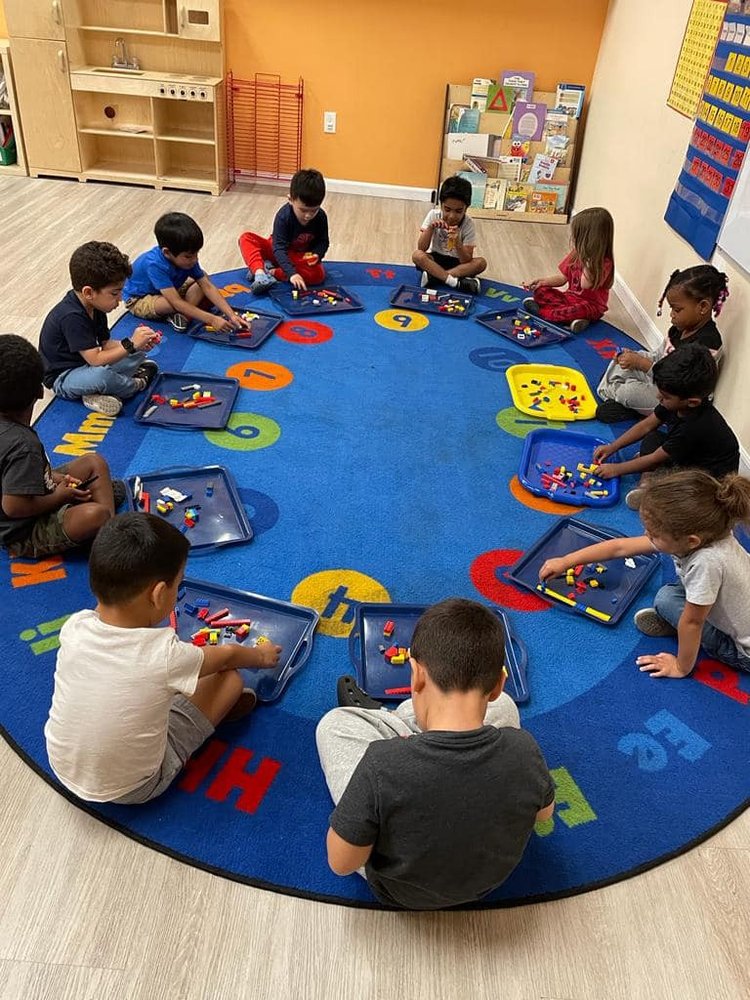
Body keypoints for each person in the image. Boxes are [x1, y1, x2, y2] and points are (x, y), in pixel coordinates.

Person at [315, 598, 554, 910]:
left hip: (399, 889)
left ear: (416, 675)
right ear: (498, 683)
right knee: (504, 709)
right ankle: (406, 724)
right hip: (488, 881)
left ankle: (395, 723)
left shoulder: (381, 764)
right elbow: (543, 815)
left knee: (334, 724)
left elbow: (342, 863)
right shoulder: (524, 748)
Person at [44, 513, 283, 804]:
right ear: (158, 594)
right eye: (178, 584)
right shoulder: (165, 654)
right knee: (230, 680)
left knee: (160, 684)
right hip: (134, 787)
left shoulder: (75, 627)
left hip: (60, 764)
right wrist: (261, 655)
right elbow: (229, 655)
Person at [539, 469, 750, 679]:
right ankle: (680, 626)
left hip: (744, 651)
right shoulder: (712, 527)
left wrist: (680, 667)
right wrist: (567, 560)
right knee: (674, 597)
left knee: (667, 601)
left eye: (654, 534)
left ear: (691, 540)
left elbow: (693, 622)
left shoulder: (707, 562)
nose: (646, 536)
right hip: (735, 603)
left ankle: (681, 632)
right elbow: (619, 548)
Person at [0, 334, 121, 558]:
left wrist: (57, 480)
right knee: (95, 514)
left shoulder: (16, 438)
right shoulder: (22, 445)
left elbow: (18, 475)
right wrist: (61, 496)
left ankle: (107, 528)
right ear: (39, 392)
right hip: (22, 531)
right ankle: (109, 545)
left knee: (94, 462)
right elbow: (13, 507)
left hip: (34, 489)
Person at [592, 343, 739, 509]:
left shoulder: (694, 426)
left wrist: (617, 469)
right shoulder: (674, 402)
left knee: (682, 488)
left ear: (692, 402)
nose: (658, 397)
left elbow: (655, 459)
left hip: (708, 477)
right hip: (686, 454)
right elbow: (646, 425)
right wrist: (613, 446)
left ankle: (648, 489)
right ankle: (647, 483)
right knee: (652, 438)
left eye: (665, 396)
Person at [39, 241, 160, 418]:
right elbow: (96, 359)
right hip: (63, 377)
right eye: (114, 293)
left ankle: (94, 394)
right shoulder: (71, 317)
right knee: (102, 376)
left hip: (86, 364)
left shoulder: (96, 307)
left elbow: (107, 344)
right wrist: (130, 345)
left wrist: (136, 346)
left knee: (137, 355)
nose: (119, 299)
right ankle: (136, 384)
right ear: (89, 292)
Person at [596, 265, 729, 423]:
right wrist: (635, 358)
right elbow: (657, 355)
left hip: (677, 399)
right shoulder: (680, 328)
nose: (672, 315)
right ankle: (622, 397)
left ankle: (621, 397)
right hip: (659, 378)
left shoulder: (706, 345)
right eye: (671, 308)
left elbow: (678, 384)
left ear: (703, 307)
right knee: (628, 359)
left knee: (630, 390)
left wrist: (642, 364)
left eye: (677, 310)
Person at [123, 212, 246, 333]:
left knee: (204, 278)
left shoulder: (187, 257)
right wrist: (212, 319)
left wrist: (231, 314)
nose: (195, 260)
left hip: (169, 288)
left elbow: (206, 286)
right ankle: (183, 312)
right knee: (171, 303)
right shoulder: (154, 264)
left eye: (196, 254)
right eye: (188, 256)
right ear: (167, 253)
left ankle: (182, 317)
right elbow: (175, 302)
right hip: (139, 299)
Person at [523, 206, 615, 332]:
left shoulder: (603, 263)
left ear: (589, 239)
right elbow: (562, 278)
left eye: (577, 236)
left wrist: (589, 261)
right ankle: (565, 318)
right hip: (570, 298)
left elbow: (585, 284)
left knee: (577, 310)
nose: (573, 239)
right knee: (542, 291)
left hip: (590, 306)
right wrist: (542, 282)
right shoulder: (575, 254)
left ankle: (545, 313)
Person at [239, 168, 330, 294]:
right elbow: (278, 248)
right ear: (290, 199)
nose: (308, 215)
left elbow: (323, 241)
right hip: (277, 250)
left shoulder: (321, 217)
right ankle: (260, 274)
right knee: (246, 238)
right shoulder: (283, 216)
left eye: (313, 210)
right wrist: (292, 274)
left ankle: (271, 271)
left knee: (318, 275)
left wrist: (317, 254)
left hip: (298, 257)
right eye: (303, 210)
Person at [412, 175, 487, 295]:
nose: (452, 216)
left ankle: (435, 277)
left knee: (481, 263)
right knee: (417, 256)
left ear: (466, 209)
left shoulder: (468, 224)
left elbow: (466, 260)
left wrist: (457, 242)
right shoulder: (433, 215)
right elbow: (421, 248)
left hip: (458, 264)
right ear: (441, 205)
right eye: (447, 209)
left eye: (458, 211)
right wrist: (431, 228)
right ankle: (454, 282)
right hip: (435, 259)